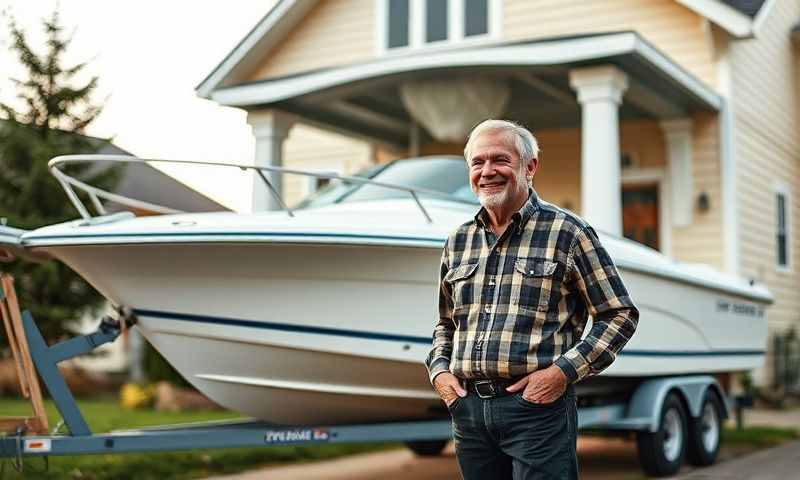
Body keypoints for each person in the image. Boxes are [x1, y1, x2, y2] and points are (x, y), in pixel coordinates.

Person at [426, 119, 639, 480]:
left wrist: (562, 373)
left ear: (530, 166)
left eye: (500, 160)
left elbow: (619, 314)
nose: (487, 171)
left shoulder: (568, 232)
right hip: (469, 412)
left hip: (537, 409)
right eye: (478, 163)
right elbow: (447, 323)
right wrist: (440, 372)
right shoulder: (457, 241)